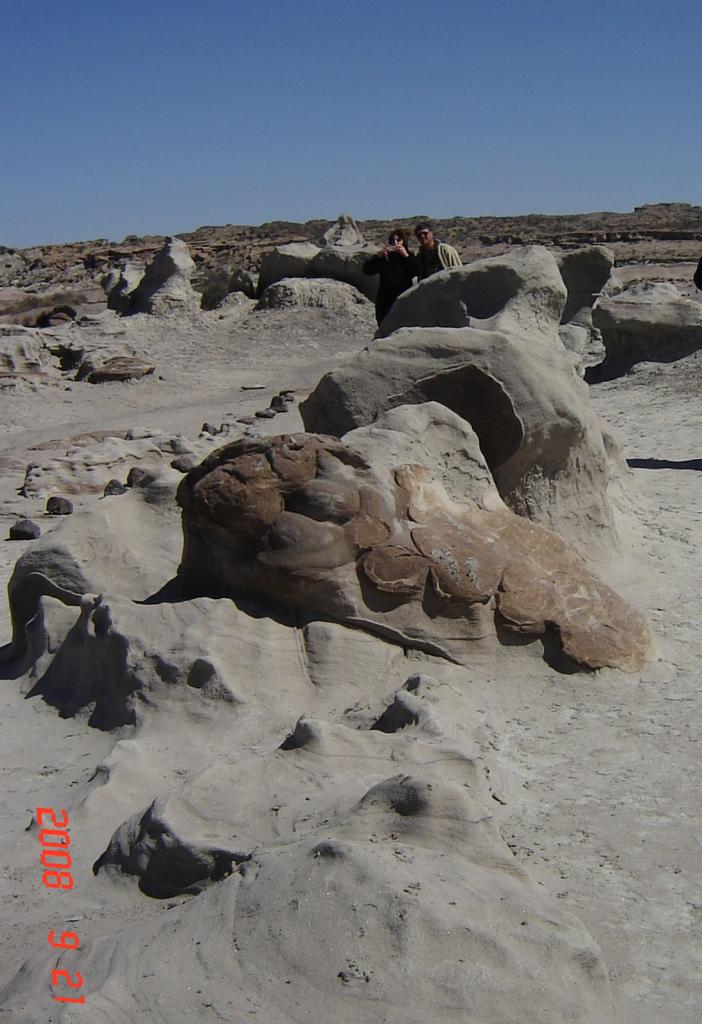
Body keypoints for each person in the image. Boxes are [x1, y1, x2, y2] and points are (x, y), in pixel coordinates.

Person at [362, 228, 417, 325]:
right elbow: (367, 270)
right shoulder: (384, 258)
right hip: (385, 302)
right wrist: (378, 257)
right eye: (392, 241)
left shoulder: (409, 256)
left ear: (404, 242)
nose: (395, 243)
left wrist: (406, 256)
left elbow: (416, 271)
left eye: (398, 240)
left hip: (403, 301)